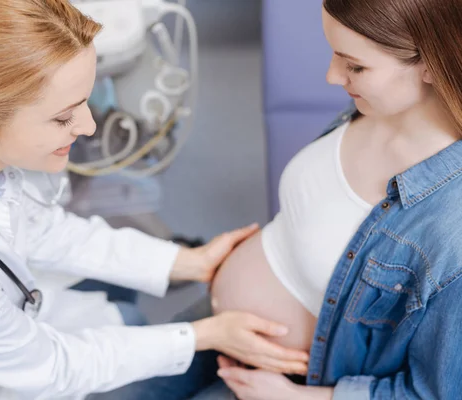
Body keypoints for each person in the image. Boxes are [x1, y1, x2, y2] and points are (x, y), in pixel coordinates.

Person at [0, 0, 313, 399]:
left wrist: (187, 262)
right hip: (0, 379)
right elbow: (52, 369)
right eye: (63, 117)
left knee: (147, 329)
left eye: (85, 102)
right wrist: (203, 334)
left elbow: (41, 227)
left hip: (33, 326)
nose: (89, 127)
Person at [92, 0, 462, 399]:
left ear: (431, 62)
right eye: (334, 54)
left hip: (283, 383)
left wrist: (293, 397)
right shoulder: (373, 106)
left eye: (355, 66)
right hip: (219, 322)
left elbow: (435, 391)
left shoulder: (450, 224)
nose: (332, 76)